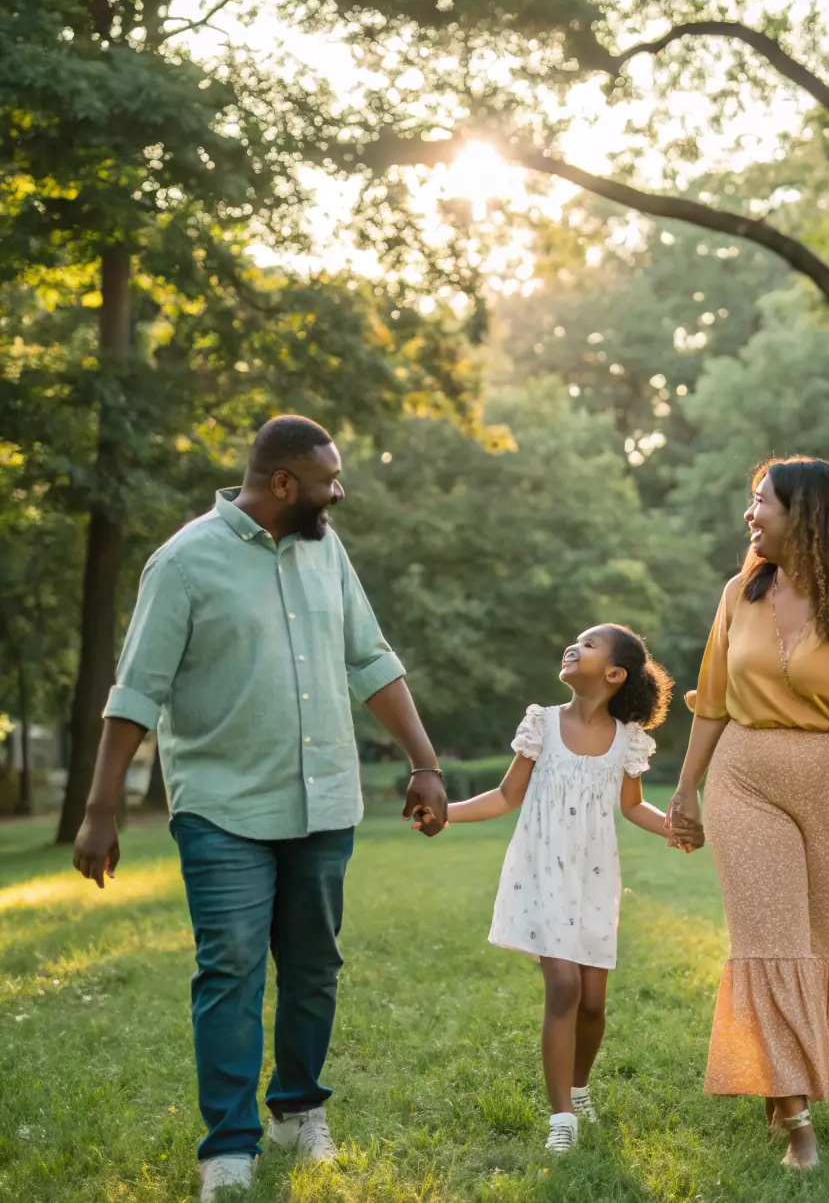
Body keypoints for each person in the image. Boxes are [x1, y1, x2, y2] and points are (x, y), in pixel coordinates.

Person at [72, 415, 448, 1202]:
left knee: (313, 969)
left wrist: (425, 761)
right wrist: (100, 806)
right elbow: (136, 692)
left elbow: (370, 657)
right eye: (327, 480)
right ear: (283, 484)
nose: (338, 491)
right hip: (223, 807)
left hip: (324, 801)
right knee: (231, 970)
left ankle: (298, 1108)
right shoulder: (181, 563)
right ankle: (229, 1148)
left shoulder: (324, 550)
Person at [666, 457, 829, 1170]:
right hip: (746, 780)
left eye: (761, 502)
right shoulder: (738, 592)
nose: (750, 515)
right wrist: (687, 788)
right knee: (769, 940)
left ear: (804, 515)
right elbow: (711, 699)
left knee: (814, 944)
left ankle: (784, 1087)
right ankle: (798, 1117)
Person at [438, 624, 678, 1153]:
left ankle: (579, 1086)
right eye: (574, 641)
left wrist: (675, 828)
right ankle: (561, 1120)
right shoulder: (541, 723)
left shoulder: (627, 741)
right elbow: (505, 796)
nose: (574, 646)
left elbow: (633, 805)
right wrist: (445, 815)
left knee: (593, 1002)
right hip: (542, 867)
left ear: (615, 674)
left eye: (589, 645)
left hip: (594, 875)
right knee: (565, 988)